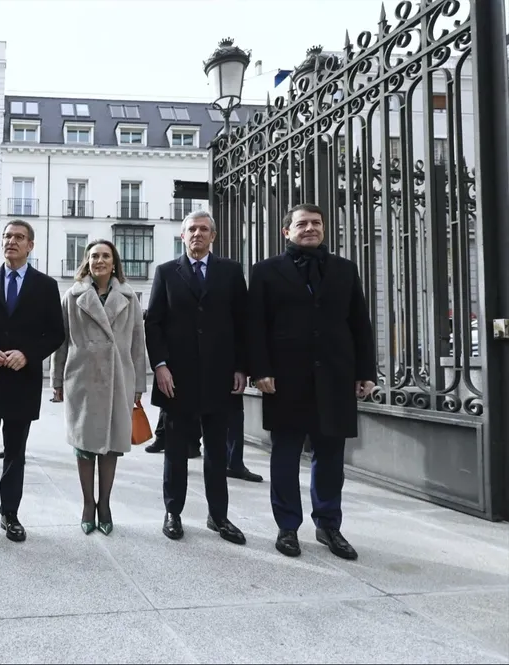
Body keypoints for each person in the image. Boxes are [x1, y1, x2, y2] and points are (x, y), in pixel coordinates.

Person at [248, 203, 376, 560]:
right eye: (302, 223)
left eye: (316, 223)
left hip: (335, 377)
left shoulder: (345, 270)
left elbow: (360, 325)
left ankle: (328, 525)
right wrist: (260, 370)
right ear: (286, 231)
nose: (310, 229)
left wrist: (365, 371)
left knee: (331, 456)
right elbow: (255, 326)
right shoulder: (265, 272)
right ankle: (288, 527)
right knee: (285, 456)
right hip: (285, 380)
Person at [0, 220, 65, 545]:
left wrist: (29, 354)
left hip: (22, 383)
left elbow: (56, 334)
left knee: (15, 455)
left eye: (18, 237)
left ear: (30, 245)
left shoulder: (45, 286)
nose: (11, 241)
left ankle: (10, 514)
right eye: (7, 236)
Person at [144, 210, 248, 546]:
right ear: (182, 235)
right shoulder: (165, 273)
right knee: (176, 451)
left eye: (204, 229)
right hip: (177, 379)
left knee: (218, 452)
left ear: (213, 236)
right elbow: (154, 323)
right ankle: (172, 512)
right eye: (191, 229)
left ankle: (219, 516)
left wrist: (241, 367)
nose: (197, 234)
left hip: (220, 378)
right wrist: (159, 365)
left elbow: (241, 321)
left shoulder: (230, 272)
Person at [51, 240, 146, 535]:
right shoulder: (73, 295)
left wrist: (138, 384)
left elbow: (137, 345)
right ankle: (87, 504)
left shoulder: (129, 297)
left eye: (105, 255)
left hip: (119, 378)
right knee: (84, 446)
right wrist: (56, 382)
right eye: (94, 256)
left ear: (114, 262)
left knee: (111, 446)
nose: (100, 260)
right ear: (87, 261)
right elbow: (61, 341)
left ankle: (104, 504)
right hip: (82, 378)